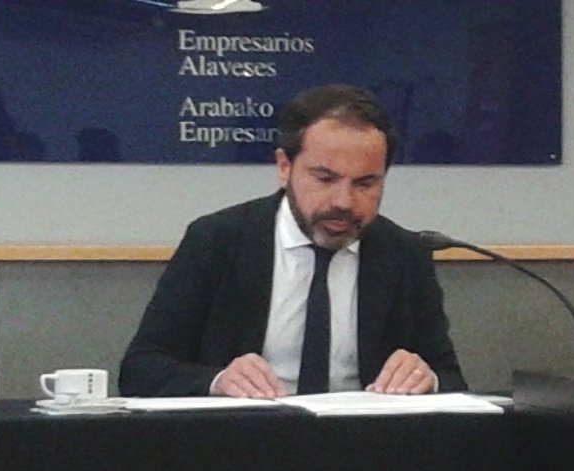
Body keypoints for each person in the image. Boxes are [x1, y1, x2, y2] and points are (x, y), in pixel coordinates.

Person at [120, 84, 465, 398]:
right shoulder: (218, 241)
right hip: (244, 436)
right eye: (325, 178)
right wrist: (218, 380)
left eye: (365, 184)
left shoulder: (404, 253)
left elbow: (451, 378)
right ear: (285, 167)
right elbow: (141, 369)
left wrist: (427, 379)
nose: (344, 201)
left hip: (363, 441)